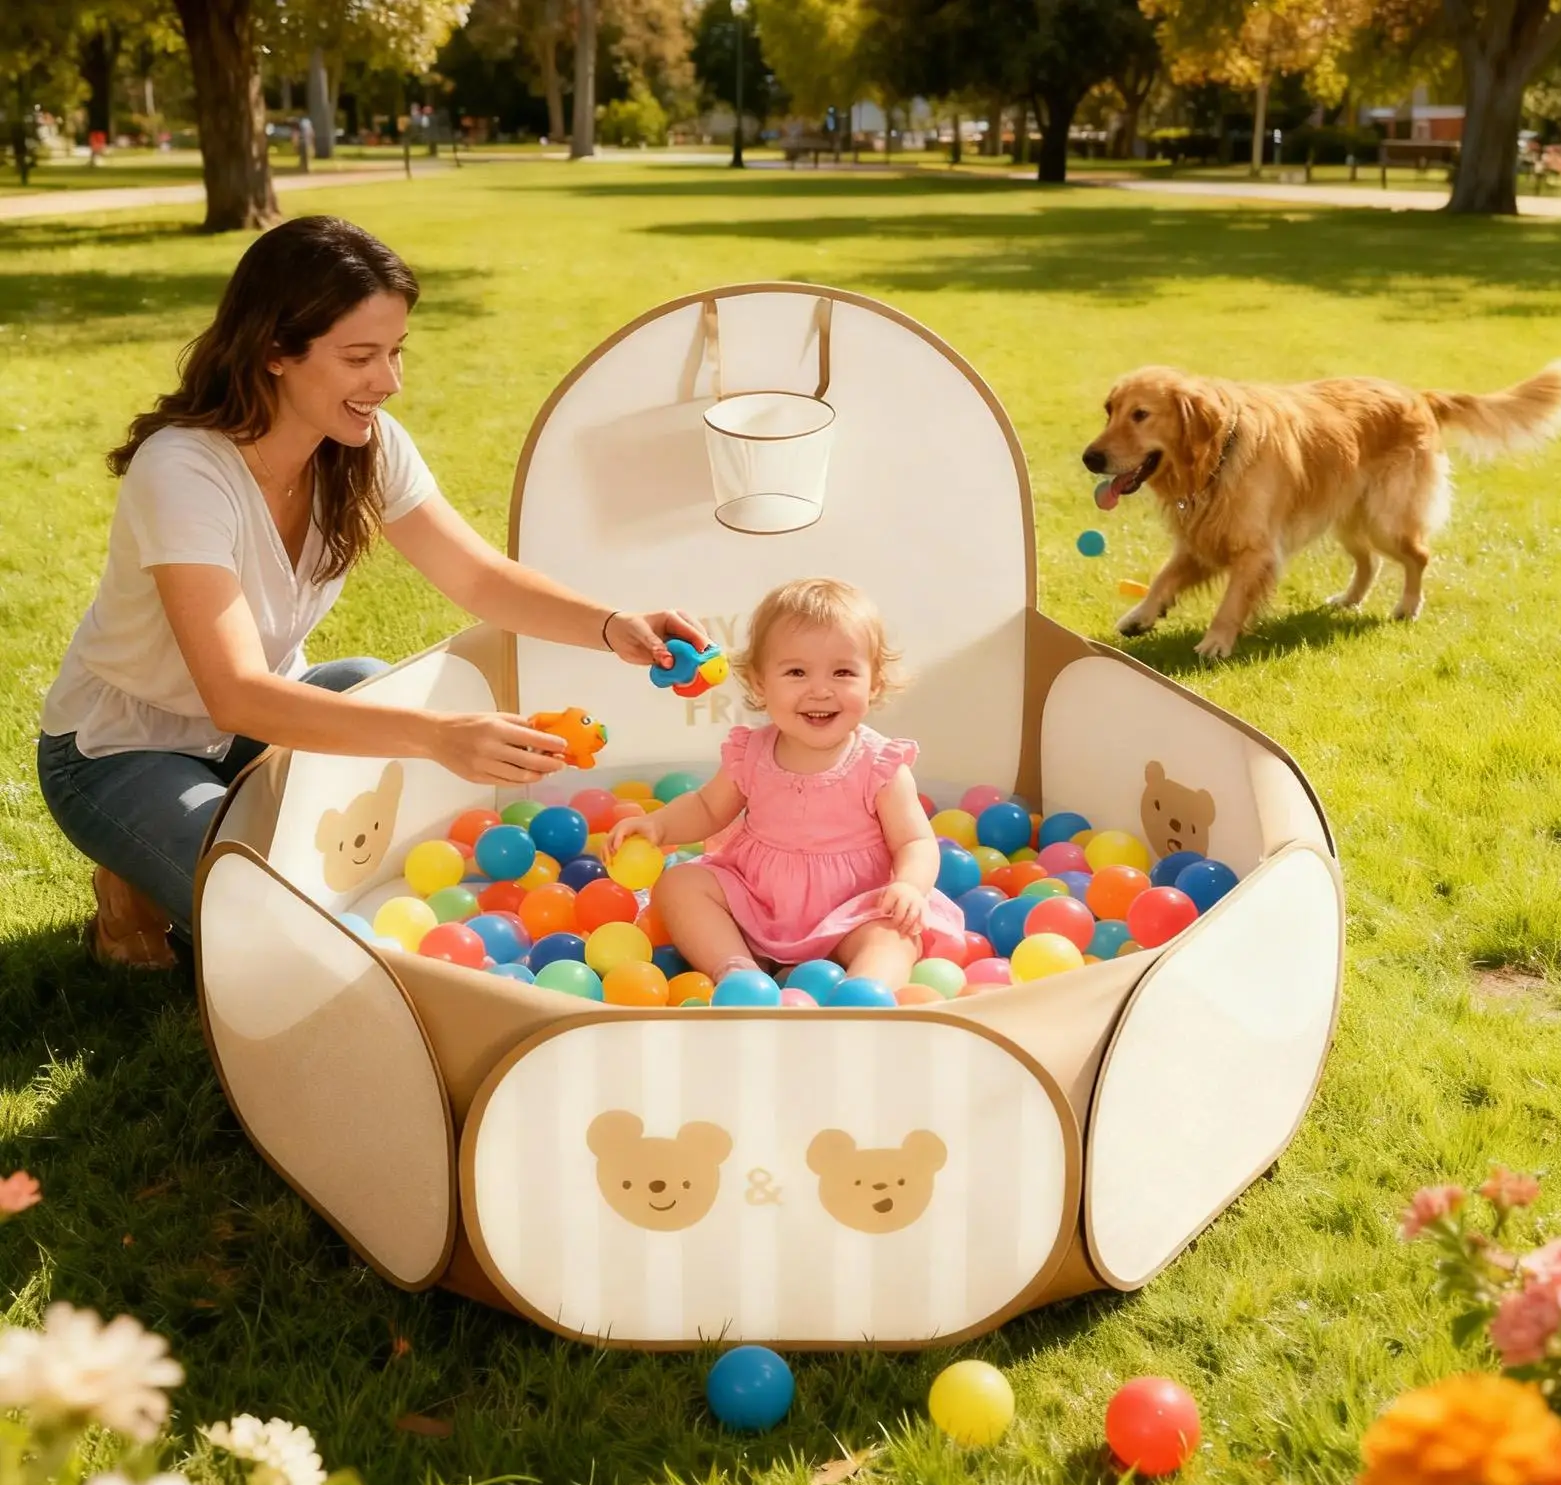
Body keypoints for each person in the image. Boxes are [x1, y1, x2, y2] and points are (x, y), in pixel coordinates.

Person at [36, 215, 703, 972]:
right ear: (275, 351)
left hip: (253, 732)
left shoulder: (365, 445)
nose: (388, 382)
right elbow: (236, 695)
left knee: (361, 682)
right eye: (361, 356)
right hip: (121, 748)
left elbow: (479, 576)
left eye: (394, 352)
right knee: (275, 937)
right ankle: (136, 885)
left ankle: (207, 842)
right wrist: (440, 736)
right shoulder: (184, 471)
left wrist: (612, 624)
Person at [608, 578, 963, 993]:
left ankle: (863, 996)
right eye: (796, 672)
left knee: (895, 935)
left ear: (875, 683)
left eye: (843, 672)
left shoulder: (880, 765)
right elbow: (707, 808)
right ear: (760, 683)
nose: (820, 689)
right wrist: (659, 827)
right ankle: (739, 971)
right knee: (680, 884)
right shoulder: (751, 753)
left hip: (853, 912)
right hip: (760, 903)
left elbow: (915, 842)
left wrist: (908, 886)